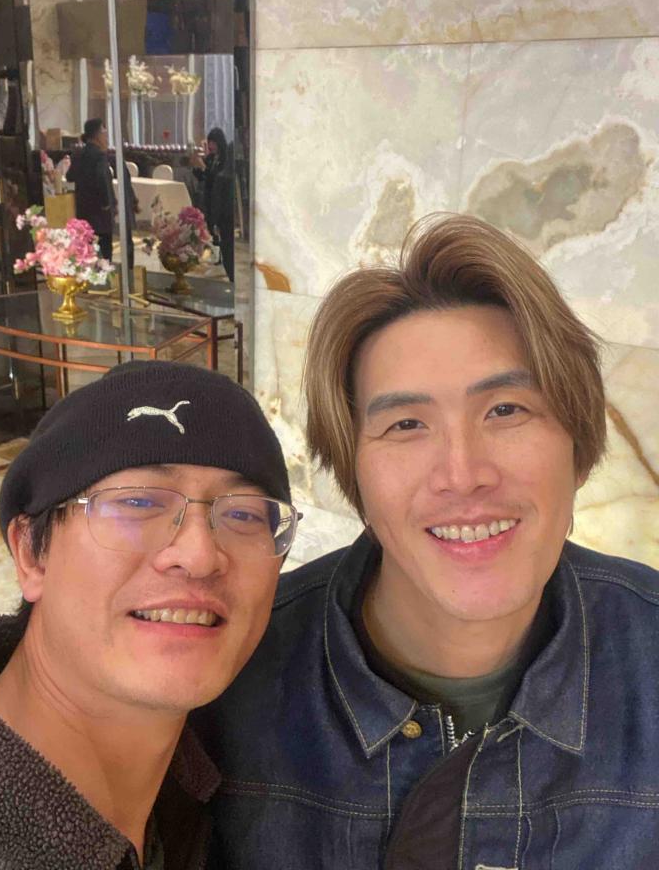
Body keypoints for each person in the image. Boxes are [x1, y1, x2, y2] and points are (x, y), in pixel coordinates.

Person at [194, 212, 659, 868]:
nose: (462, 475)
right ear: (354, 471)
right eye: (407, 424)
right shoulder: (232, 670)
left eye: (506, 410)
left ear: (576, 446)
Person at [0, 360, 299, 869]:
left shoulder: (205, 799)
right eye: (138, 503)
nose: (199, 555)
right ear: (31, 553)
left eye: (243, 514)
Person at [67, 118, 115, 260]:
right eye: (104, 132)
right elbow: (102, 179)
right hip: (100, 212)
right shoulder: (99, 156)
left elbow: (70, 176)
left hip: (83, 210)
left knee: (86, 251)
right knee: (104, 252)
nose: (106, 137)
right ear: (97, 135)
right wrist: (107, 203)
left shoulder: (78, 154)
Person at [191, 128, 234, 282]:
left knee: (223, 233)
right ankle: (217, 252)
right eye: (210, 142)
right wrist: (197, 166)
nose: (211, 146)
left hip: (221, 200)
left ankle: (221, 256)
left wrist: (205, 169)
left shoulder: (225, 160)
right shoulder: (210, 158)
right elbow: (204, 177)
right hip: (210, 197)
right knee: (211, 225)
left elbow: (217, 178)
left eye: (213, 143)